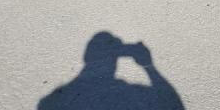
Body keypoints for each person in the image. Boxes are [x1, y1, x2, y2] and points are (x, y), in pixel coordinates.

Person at [38, 32, 184, 110]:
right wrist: (149, 66)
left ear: (87, 56)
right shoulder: (134, 93)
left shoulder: (48, 103)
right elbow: (173, 104)